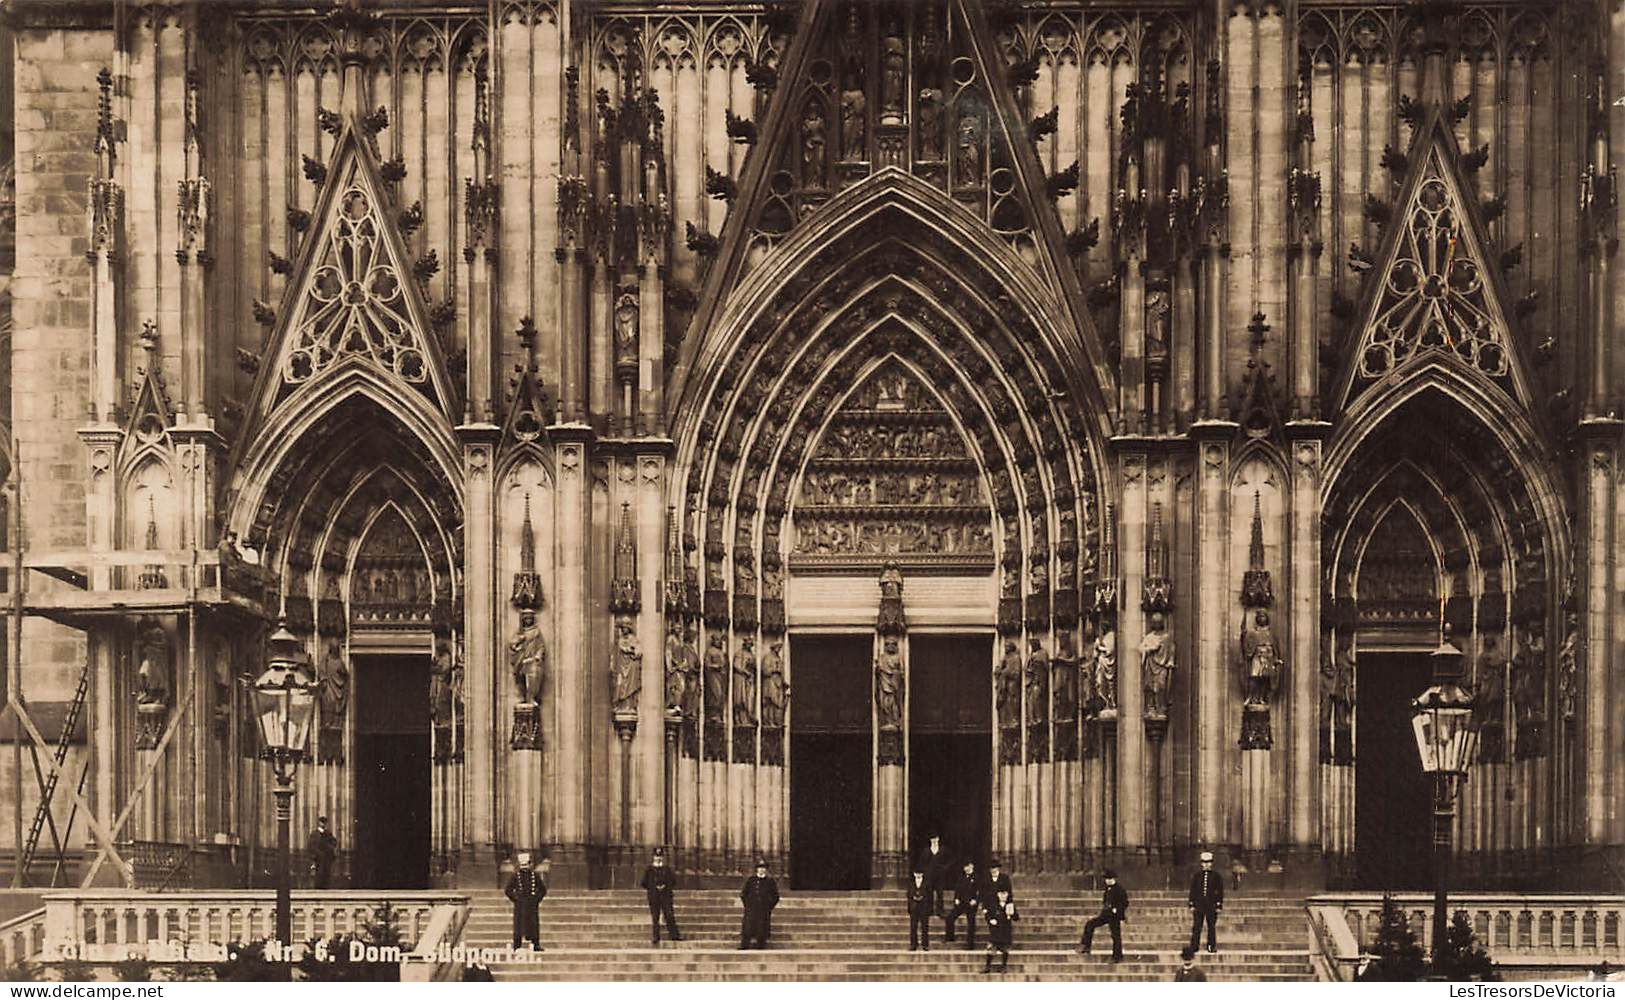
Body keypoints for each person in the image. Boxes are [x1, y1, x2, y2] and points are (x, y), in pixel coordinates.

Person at [1078, 868, 1130, 961]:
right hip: (1106, 914)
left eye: (1109, 879)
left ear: (1113, 879)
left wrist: (1116, 910)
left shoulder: (1120, 890)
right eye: (1106, 879)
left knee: (1115, 935)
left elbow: (1125, 903)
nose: (1107, 881)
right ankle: (1086, 946)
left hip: (1114, 916)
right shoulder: (1107, 889)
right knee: (1090, 924)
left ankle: (1117, 956)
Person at [504, 851, 546, 951]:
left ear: (529, 864)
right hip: (520, 904)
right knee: (519, 925)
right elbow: (508, 890)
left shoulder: (534, 875)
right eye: (523, 865)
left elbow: (542, 889)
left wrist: (536, 899)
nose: (524, 867)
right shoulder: (516, 876)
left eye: (526, 864)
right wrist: (516, 899)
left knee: (533, 924)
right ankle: (517, 944)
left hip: (531, 904)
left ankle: (535, 944)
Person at [640, 847, 681, 945]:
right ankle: (656, 936)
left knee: (669, 914)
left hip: (666, 895)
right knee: (655, 916)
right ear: (653, 857)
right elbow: (644, 882)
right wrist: (653, 887)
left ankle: (674, 935)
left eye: (660, 857)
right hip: (654, 896)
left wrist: (665, 886)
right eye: (656, 857)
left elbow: (673, 881)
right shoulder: (649, 869)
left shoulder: (667, 869)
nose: (658, 859)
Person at [1188, 850, 1225, 954]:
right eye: (1204, 862)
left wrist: (1219, 904)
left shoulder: (1216, 876)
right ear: (1201, 863)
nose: (1206, 865)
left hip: (1211, 905)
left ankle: (1211, 946)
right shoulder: (1197, 876)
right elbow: (1193, 890)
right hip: (1199, 905)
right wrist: (1192, 903)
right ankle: (1194, 946)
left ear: (1211, 863)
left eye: (1208, 862)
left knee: (1211, 927)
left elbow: (1220, 891)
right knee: (1197, 926)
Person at [740, 859, 780, 950]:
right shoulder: (751, 880)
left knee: (762, 927)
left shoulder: (770, 881)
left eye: (763, 868)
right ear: (757, 869)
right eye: (760, 868)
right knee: (748, 926)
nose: (761, 870)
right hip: (751, 908)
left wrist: (769, 906)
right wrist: (748, 905)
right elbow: (744, 894)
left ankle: (760, 945)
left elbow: (775, 896)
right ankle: (745, 945)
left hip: (763, 909)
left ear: (766, 870)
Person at [944, 859, 981, 949]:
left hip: (971, 903)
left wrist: (976, 900)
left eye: (968, 866)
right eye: (965, 867)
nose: (966, 868)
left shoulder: (977, 877)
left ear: (972, 866)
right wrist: (956, 898)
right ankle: (950, 938)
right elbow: (957, 889)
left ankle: (970, 944)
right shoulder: (961, 877)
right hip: (961, 903)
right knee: (949, 918)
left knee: (971, 923)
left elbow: (981, 891)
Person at [982, 887, 1018, 973]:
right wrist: (990, 920)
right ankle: (987, 966)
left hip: (1005, 930)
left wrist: (1012, 914)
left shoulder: (1010, 905)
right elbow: (988, 915)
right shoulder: (993, 905)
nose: (1003, 896)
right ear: (998, 895)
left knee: (1005, 949)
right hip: (996, 930)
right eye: (1001, 894)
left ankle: (1004, 966)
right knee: (991, 948)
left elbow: (1016, 918)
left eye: (1005, 894)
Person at [914, 833, 952, 915]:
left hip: (940, 875)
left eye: (935, 839)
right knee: (929, 892)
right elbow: (922, 862)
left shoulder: (943, 849)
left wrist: (945, 868)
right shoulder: (926, 850)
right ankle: (929, 909)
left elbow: (950, 860)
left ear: (938, 839)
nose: (934, 841)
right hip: (929, 875)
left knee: (940, 892)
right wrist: (925, 871)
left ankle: (940, 910)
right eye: (932, 839)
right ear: (930, 840)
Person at [306, 816, 337, 889]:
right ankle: (318, 887)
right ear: (319, 823)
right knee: (319, 873)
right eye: (322, 822)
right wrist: (315, 854)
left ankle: (325, 886)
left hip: (326, 857)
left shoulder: (328, 833)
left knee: (326, 873)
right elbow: (311, 845)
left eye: (324, 823)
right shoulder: (314, 834)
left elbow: (334, 842)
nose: (323, 824)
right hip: (318, 858)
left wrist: (329, 848)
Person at [906, 870, 932, 951]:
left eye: (920, 873)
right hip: (914, 907)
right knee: (913, 927)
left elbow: (930, 896)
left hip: (924, 907)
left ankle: (925, 944)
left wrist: (923, 898)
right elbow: (908, 894)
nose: (918, 875)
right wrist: (913, 898)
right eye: (916, 873)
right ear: (914, 874)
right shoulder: (911, 883)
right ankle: (913, 944)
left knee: (924, 927)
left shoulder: (927, 883)